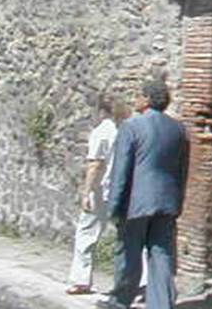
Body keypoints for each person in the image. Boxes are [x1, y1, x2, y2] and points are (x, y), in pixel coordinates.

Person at [97, 80, 189, 309]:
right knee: (162, 255)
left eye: (139, 95)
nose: (135, 99)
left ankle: (120, 300)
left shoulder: (132, 126)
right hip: (167, 201)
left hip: (136, 202)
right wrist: (178, 202)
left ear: (147, 99)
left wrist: (115, 206)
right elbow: (182, 169)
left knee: (128, 254)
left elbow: (122, 169)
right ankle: (161, 304)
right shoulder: (178, 129)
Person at [66, 93, 129, 295]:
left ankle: (81, 280)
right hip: (121, 187)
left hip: (101, 190)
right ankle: (139, 281)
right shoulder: (124, 130)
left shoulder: (101, 132)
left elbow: (95, 164)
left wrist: (86, 193)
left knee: (86, 233)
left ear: (101, 110)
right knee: (129, 236)